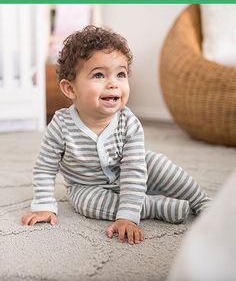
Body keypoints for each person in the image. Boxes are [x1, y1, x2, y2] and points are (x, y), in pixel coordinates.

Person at [21, 26, 210, 245]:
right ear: (70, 89)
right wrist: (44, 205)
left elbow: (133, 171)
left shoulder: (129, 123)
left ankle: (200, 200)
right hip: (87, 187)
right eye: (99, 75)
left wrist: (127, 218)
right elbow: (45, 167)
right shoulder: (61, 125)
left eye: (121, 74)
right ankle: (154, 206)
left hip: (128, 175)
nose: (113, 83)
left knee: (157, 163)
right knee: (85, 203)